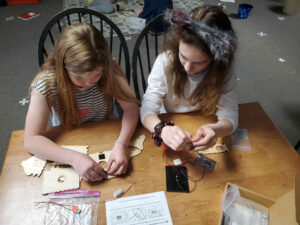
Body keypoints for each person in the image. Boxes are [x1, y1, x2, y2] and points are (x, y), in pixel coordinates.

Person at [24, 23, 139, 182]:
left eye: (96, 75)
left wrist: (122, 143)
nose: (88, 83)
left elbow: (131, 108)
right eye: (79, 78)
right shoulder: (46, 83)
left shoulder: (108, 69)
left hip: (106, 133)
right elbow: (31, 140)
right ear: (62, 67)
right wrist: (74, 159)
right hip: (67, 139)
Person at [140, 6, 238, 152]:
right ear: (177, 43)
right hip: (169, 116)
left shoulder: (223, 69)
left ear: (215, 59)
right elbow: (147, 108)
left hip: (204, 118)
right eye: (183, 57)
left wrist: (216, 130)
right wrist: (162, 129)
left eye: (199, 63)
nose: (187, 68)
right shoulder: (165, 61)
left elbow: (229, 112)